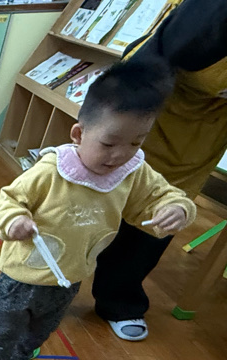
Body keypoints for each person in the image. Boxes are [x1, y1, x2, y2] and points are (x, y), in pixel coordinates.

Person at [0, 60, 196, 360]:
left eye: (135, 143)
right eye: (109, 143)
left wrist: (177, 208)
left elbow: (161, 195)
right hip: (22, 276)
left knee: (41, 331)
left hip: (70, 278)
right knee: (5, 329)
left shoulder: (133, 172)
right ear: (79, 134)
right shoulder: (52, 170)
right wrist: (13, 219)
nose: (120, 155)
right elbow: (9, 200)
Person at [92, 0, 227, 341]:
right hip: (148, 115)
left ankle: (119, 300)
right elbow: (133, 69)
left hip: (197, 141)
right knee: (88, 205)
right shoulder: (194, 23)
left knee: (154, 223)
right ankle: (48, 284)